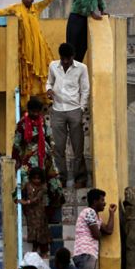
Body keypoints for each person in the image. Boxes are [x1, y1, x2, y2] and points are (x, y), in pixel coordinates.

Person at [46, 42, 91, 187]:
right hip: (57, 110)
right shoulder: (53, 66)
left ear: (73, 57)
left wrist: (81, 108)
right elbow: (49, 82)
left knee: (78, 147)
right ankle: (61, 178)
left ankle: (80, 178)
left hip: (75, 110)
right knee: (59, 148)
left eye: (68, 59)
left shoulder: (82, 68)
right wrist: (48, 90)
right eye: (63, 58)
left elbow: (85, 89)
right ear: (60, 57)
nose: (65, 61)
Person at [11, 97, 64, 210]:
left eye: (37, 111)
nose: (35, 113)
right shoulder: (22, 124)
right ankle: (28, 203)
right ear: (28, 110)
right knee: (27, 179)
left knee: (53, 179)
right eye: (33, 111)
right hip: (30, 157)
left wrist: (52, 146)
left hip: (45, 154)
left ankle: (51, 204)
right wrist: (17, 160)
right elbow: (16, 144)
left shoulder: (42, 121)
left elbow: (49, 136)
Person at [73, 188, 118, 269]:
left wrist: (111, 214)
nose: (104, 203)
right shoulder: (89, 212)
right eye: (102, 200)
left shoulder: (96, 217)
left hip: (87, 254)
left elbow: (108, 230)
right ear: (94, 201)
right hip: (85, 253)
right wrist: (98, 229)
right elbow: (97, 235)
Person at [15, 167, 50, 256]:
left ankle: (43, 251)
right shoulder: (27, 185)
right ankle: (34, 248)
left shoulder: (43, 186)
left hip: (39, 212)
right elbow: (20, 193)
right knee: (32, 230)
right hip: (30, 212)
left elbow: (37, 198)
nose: (36, 180)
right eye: (34, 178)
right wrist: (18, 199)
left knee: (41, 230)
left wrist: (26, 202)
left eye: (38, 178)